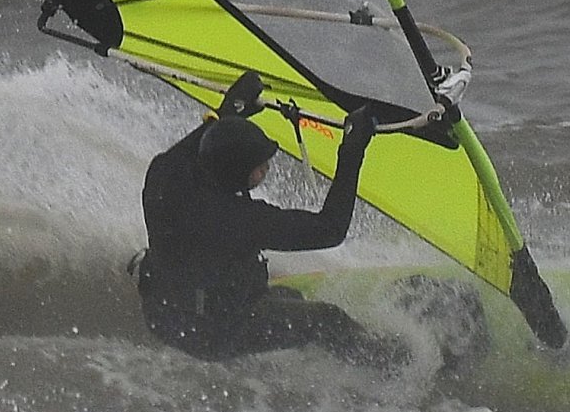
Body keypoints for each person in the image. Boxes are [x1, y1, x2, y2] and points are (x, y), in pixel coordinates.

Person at [133, 78, 398, 368]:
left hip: (160, 314)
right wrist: (352, 151)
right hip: (211, 335)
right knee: (327, 319)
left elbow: (209, 137)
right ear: (244, 176)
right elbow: (330, 229)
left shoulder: (165, 175)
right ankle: (390, 364)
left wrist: (231, 110)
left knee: (289, 297)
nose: (266, 169)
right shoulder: (242, 221)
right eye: (261, 167)